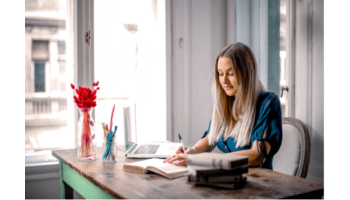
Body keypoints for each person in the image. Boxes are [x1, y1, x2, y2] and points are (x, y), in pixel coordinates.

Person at [163, 42, 282, 170]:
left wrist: (205, 161)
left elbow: (257, 156)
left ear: (247, 74)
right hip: (227, 178)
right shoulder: (227, 101)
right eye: (220, 73)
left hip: (257, 182)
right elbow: (211, 137)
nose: (224, 81)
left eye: (231, 74)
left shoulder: (268, 103)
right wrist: (192, 152)